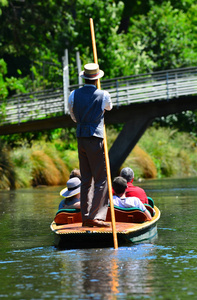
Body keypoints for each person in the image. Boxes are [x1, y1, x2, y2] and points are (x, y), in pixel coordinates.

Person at [68, 63, 112, 227]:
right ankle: (96, 216)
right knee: (101, 179)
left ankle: (86, 217)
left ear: (84, 77)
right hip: (95, 138)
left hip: (81, 137)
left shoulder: (73, 94)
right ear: (97, 78)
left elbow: (73, 116)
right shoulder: (103, 94)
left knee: (86, 179)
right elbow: (109, 107)